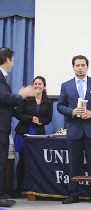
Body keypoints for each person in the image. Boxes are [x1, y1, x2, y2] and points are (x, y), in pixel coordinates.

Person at [57, 55, 91, 204]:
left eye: (82, 65)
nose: (80, 68)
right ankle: (73, 194)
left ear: (87, 67)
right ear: (73, 67)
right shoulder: (66, 85)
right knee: (74, 163)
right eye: (77, 65)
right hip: (74, 130)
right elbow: (60, 106)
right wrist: (72, 112)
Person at [0, 47, 35, 207]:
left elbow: (7, 102)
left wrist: (21, 98)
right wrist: (21, 95)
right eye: (13, 60)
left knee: (2, 161)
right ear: (7, 59)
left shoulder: (4, 77)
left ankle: (2, 194)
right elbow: (2, 97)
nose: (13, 63)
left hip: (4, 126)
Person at [13, 76, 53, 196]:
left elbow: (48, 119)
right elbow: (18, 114)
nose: (37, 86)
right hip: (23, 133)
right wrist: (31, 118)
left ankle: (35, 188)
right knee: (22, 161)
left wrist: (40, 121)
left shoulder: (48, 101)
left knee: (36, 162)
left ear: (44, 87)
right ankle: (18, 188)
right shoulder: (26, 99)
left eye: (40, 84)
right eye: (35, 84)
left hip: (38, 134)